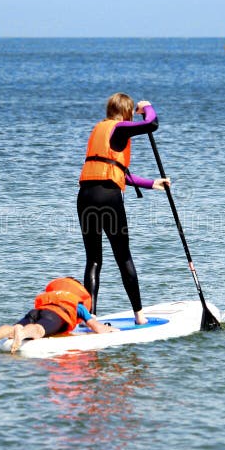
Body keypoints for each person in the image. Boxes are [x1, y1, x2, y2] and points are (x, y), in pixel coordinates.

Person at [77, 94, 170, 325]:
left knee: (94, 260)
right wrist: (147, 106)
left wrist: (151, 183)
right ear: (126, 113)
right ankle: (139, 316)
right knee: (123, 256)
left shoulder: (99, 129)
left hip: (85, 197)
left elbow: (113, 170)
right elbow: (152, 124)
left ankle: (92, 317)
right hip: (108, 198)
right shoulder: (120, 128)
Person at [0, 277, 118, 355]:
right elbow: (95, 326)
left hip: (38, 311)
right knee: (38, 329)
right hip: (56, 316)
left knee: (14, 328)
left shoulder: (52, 295)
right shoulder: (76, 303)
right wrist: (109, 329)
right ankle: (23, 333)